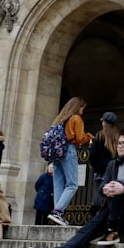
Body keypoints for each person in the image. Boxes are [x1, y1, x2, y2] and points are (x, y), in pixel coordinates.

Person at [27, 128, 124, 248]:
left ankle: (112, 230)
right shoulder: (112, 164)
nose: (120, 146)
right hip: (111, 211)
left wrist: (123, 188)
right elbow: (101, 187)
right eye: (119, 143)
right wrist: (105, 189)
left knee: (117, 190)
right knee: (89, 228)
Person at [47, 97, 93, 226]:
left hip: (57, 152)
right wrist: (88, 136)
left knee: (58, 184)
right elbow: (78, 138)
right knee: (72, 184)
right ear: (79, 107)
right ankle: (57, 211)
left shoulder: (60, 119)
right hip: (68, 150)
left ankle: (57, 214)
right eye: (83, 108)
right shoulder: (76, 118)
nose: (83, 110)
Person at [88, 111, 119, 216]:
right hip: (113, 170)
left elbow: (92, 154)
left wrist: (94, 165)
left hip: (100, 170)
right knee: (111, 192)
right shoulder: (117, 137)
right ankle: (108, 213)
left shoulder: (99, 136)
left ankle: (95, 214)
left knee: (98, 191)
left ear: (104, 123)